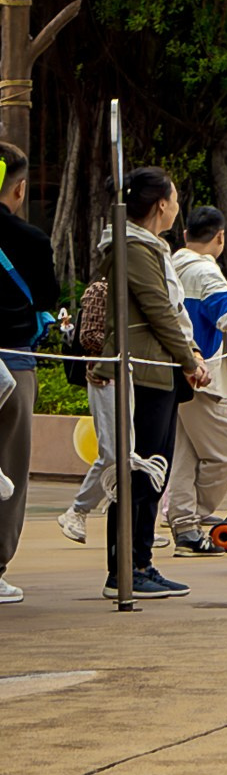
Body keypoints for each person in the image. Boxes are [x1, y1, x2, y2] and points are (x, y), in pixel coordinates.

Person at [99, 167, 214, 598]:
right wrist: (189, 358)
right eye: (176, 197)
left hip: (156, 369)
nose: (179, 206)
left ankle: (140, 560)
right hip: (144, 372)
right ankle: (128, 567)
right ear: (161, 204)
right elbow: (158, 311)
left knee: (153, 470)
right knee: (143, 470)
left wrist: (188, 356)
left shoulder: (149, 248)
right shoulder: (134, 248)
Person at [166, 206, 227, 556]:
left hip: (174, 371)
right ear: (220, 237)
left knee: (185, 456)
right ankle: (191, 518)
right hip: (200, 375)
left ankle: (186, 529)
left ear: (186, 234)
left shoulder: (171, 265)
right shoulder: (204, 269)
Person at [0, 140, 59, 604]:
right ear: (18, 190)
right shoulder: (32, 241)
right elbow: (45, 302)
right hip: (13, 363)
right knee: (9, 467)